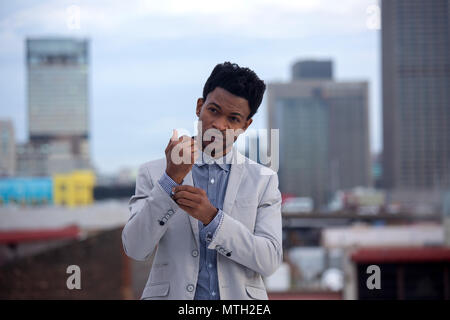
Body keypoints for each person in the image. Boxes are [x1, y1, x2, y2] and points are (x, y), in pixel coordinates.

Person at [121, 61, 282, 300]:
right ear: (199, 106)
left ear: (246, 126)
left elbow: (269, 260)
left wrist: (212, 218)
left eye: (234, 119)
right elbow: (135, 248)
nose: (219, 125)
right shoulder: (153, 172)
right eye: (213, 110)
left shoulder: (263, 180)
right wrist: (169, 180)